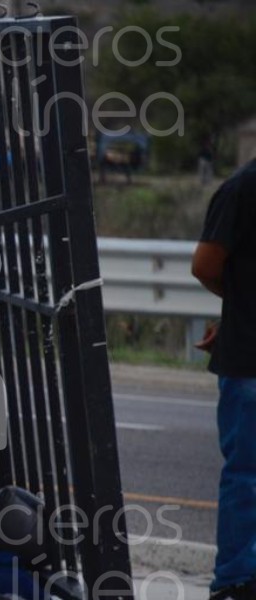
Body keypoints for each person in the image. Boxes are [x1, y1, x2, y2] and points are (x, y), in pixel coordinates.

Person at [192, 158, 256, 600]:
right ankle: (236, 581)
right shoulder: (244, 189)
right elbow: (205, 263)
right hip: (249, 357)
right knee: (247, 475)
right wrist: (239, 305)